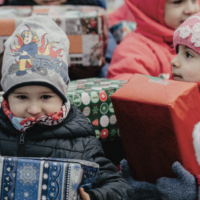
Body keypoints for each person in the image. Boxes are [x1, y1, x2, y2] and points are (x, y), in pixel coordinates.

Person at [0, 15, 131, 200]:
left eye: (46, 97)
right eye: (22, 97)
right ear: (6, 96)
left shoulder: (79, 140)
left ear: (61, 97)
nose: (34, 108)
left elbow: (120, 186)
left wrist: (94, 197)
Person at [121, 12, 200, 200]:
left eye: (188, 55)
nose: (174, 61)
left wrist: (194, 193)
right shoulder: (170, 101)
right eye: (176, 51)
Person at [107, 0, 200, 80]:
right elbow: (126, 89)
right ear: (150, 6)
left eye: (194, 1)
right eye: (177, 2)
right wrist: (165, 85)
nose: (191, 9)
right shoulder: (134, 49)